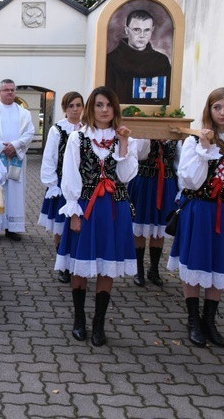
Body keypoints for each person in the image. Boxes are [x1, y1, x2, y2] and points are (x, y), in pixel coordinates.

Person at [167, 87, 224, 348]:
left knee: (219, 265)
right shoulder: (194, 141)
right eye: (218, 107)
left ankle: (209, 321)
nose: (223, 112)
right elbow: (189, 182)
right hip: (199, 211)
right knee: (195, 264)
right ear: (209, 109)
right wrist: (204, 151)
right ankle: (193, 319)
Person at [54, 87, 138, 347]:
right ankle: (79, 318)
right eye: (99, 105)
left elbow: (126, 176)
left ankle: (99, 323)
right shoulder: (78, 138)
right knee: (80, 262)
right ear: (92, 108)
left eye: (109, 105)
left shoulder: (124, 139)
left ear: (115, 109)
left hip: (115, 208)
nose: (104, 110)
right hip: (86, 206)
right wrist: (74, 211)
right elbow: (70, 175)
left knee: (107, 265)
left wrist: (123, 144)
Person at [0, 79, 36, 241]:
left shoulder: (23, 113)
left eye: (12, 90)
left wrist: (15, 145)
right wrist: (2, 147)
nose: (10, 92)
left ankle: (13, 228)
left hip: (15, 159)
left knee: (15, 193)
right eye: (6, 90)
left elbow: (29, 132)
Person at [39, 91, 84, 283]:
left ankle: (76, 260)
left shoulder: (88, 129)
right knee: (60, 226)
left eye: (78, 105)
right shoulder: (58, 129)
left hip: (82, 185)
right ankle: (62, 264)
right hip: (62, 183)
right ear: (64, 109)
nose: (75, 109)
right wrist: (52, 184)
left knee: (78, 226)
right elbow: (50, 157)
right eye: (71, 106)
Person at [128, 138, 181, 286]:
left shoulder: (175, 137)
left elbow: (178, 163)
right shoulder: (142, 132)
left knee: (160, 227)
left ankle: (154, 269)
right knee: (139, 225)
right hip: (143, 182)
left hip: (165, 183)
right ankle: (138, 269)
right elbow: (138, 154)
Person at [105, 9, 172, 105]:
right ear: (126, 30)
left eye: (147, 30)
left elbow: (166, 99)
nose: (142, 35)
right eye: (137, 30)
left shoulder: (161, 62)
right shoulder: (111, 60)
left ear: (152, 30)